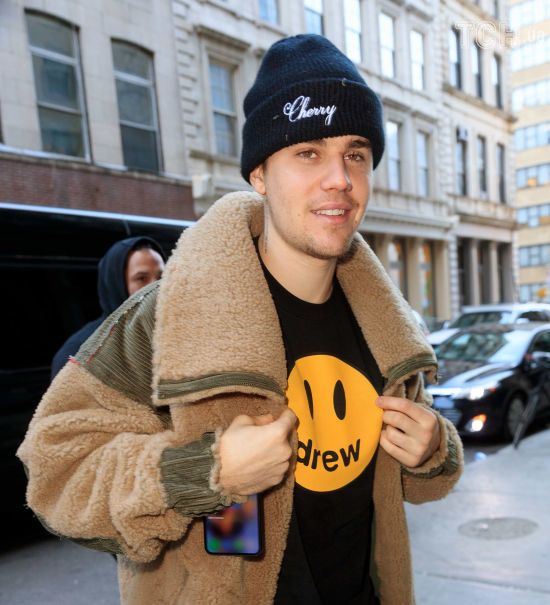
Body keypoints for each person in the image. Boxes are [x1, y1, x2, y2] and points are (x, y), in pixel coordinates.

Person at [18, 34, 463, 604]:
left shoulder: (385, 327)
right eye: (308, 153)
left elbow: (416, 484)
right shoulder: (168, 316)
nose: (340, 179)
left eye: (356, 153)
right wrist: (206, 472)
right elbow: (56, 475)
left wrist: (433, 449)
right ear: (259, 174)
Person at [50, 236, 166, 379]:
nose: (157, 287)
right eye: (141, 278)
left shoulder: (173, 337)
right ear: (117, 285)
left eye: (161, 277)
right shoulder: (80, 353)